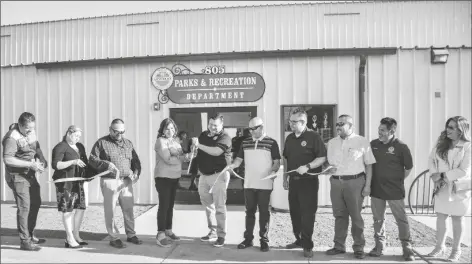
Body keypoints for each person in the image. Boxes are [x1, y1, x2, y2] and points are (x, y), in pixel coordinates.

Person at [325, 114, 376, 259]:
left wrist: (367, 186)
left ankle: (359, 247)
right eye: (337, 124)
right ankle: (339, 246)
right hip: (336, 182)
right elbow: (329, 163)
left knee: (356, 216)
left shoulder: (361, 141)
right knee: (339, 215)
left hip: (355, 182)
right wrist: (328, 169)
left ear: (350, 126)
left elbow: (369, 165)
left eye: (342, 124)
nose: (338, 126)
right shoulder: (332, 142)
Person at [227, 117, 281, 252]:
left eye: (253, 129)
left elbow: (276, 161)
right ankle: (248, 239)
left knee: (264, 213)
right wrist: (232, 166)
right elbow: (239, 159)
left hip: (265, 184)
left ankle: (264, 240)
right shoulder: (245, 142)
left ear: (261, 127)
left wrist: (274, 171)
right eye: (249, 129)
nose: (250, 131)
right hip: (249, 183)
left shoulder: (272, 143)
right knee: (249, 212)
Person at [88, 118, 142, 248]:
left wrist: (136, 172)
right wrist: (105, 164)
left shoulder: (128, 143)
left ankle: (131, 234)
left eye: (122, 132)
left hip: (126, 181)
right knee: (110, 210)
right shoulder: (101, 143)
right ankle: (113, 237)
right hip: (110, 180)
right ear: (110, 129)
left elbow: (136, 161)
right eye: (116, 132)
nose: (120, 135)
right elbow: (92, 160)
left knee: (128, 209)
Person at [282, 108, 327, 258]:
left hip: (308, 182)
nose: (291, 125)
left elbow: (322, 158)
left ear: (304, 122)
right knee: (295, 213)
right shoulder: (289, 138)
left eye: (294, 122)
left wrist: (307, 166)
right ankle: (299, 239)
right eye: (290, 121)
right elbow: (286, 159)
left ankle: (307, 245)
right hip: (293, 182)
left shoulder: (314, 137)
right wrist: (284, 178)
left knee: (307, 214)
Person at [369, 118, 415, 261]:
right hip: (376, 189)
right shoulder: (373, 144)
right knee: (378, 219)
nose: (379, 132)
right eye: (379, 129)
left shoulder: (401, 147)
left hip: (395, 190)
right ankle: (379, 246)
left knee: (401, 219)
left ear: (392, 131)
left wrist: (397, 180)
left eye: (382, 130)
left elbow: (408, 168)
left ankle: (407, 247)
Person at [427, 116, 471, 262]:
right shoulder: (441, 143)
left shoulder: (467, 146)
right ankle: (439, 247)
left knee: (457, 218)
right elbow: (431, 159)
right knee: (441, 217)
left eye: (452, 127)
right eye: (448, 126)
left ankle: (456, 250)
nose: (448, 130)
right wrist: (434, 175)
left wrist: (442, 175)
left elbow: (464, 170)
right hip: (442, 187)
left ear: (461, 130)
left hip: (459, 187)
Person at [2, 112, 48, 251]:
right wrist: (29, 165)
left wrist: (42, 160)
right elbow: (8, 159)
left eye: (33, 128)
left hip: (31, 174)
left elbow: (36, 148)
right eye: (28, 129)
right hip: (17, 176)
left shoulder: (30, 132)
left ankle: (30, 233)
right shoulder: (12, 137)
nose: (31, 131)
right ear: (20, 126)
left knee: (36, 203)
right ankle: (25, 241)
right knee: (24, 207)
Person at [191, 113, 232, 247]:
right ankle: (213, 231)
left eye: (215, 125)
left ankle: (221, 235)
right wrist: (194, 149)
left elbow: (216, 151)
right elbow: (199, 153)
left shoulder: (225, 137)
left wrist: (199, 146)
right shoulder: (203, 135)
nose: (212, 127)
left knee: (220, 206)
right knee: (207, 205)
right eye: (210, 124)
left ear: (222, 125)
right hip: (204, 175)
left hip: (219, 175)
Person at [51, 125, 93, 248]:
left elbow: (85, 162)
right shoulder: (60, 147)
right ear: (69, 133)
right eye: (76, 136)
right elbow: (56, 165)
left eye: (79, 137)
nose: (77, 139)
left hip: (78, 181)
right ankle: (69, 238)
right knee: (67, 210)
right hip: (65, 182)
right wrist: (73, 162)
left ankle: (76, 235)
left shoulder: (80, 147)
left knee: (80, 208)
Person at [154, 118, 192, 247]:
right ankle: (160, 234)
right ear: (162, 130)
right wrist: (177, 156)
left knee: (170, 205)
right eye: (167, 128)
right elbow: (168, 159)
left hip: (174, 177)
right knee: (164, 206)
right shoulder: (160, 141)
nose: (170, 131)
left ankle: (168, 230)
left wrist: (185, 156)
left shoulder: (175, 142)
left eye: (172, 128)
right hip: (163, 178)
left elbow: (181, 158)